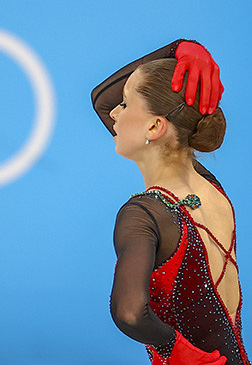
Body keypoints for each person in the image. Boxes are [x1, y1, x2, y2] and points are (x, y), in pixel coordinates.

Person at [91, 39, 249, 364]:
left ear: (154, 126)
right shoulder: (210, 187)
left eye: (125, 104)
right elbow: (103, 102)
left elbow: (129, 313)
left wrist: (174, 348)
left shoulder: (144, 214)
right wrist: (179, 48)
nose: (114, 113)